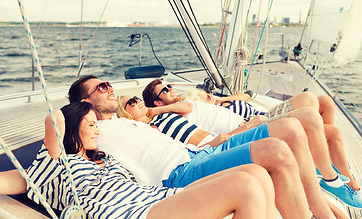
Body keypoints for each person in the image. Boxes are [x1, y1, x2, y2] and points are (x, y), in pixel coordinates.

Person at [69, 75, 341, 218]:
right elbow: (59, 143)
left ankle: (324, 203)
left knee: (291, 129)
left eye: (107, 84)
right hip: (179, 173)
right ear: (83, 104)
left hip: (198, 154)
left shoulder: (128, 122)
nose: (110, 88)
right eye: (101, 87)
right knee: (276, 151)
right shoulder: (91, 132)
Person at [0, 102, 276, 219]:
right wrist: (74, 115)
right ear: (73, 127)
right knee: (244, 186)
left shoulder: (104, 158)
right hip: (128, 214)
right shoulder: (52, 165)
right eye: (91, 124)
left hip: (153, 198)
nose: (98, 130)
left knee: (256, 173)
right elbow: (54, 119)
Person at [142, 79, 362, 209]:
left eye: (170, 86)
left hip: (257, 118)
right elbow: (210, 139)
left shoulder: (202, 101)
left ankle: (338, 176)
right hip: (252, 125)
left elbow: (246, 95)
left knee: (325, 110)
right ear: (158, 101)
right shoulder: (181, 109)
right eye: (165, 90)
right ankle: (332, 178)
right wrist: (153, 111)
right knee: (314, 108)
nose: (171, 89)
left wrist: (219, 100)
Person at [182, 87, 362, 198]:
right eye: (205, 96)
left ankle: (325, 163)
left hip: (261, 115)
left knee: (326, 103)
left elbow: (247, 95)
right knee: (311, 104)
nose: (211, 96)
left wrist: (223, 99)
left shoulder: (226, 103)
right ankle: (333, 173)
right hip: (251, 126)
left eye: (209, 94)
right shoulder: (206, 112)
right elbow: (221, 139)